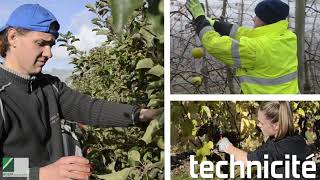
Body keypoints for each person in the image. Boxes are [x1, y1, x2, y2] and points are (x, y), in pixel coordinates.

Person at [0, 4, 156, 180]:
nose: (49, 53)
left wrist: (144, 114)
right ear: (13, 37)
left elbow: (90, 109)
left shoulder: (50, 86)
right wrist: (40, 173)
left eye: (51, 44)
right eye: (41, 43)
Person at [186, 0, 299, 94]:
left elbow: (215, 44)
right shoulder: (289, 37)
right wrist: (213, 23)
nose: (253, 19)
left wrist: (200, 19)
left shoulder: (255, 48)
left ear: (265, 21)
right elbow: (248, 35)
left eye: (257, 16)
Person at [216, 101, 311, 178]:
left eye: (262, 123)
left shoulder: (278, 148)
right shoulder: (296, 139)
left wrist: (227, 146)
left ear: (276, 125)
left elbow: (246, 160)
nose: (258, 125)